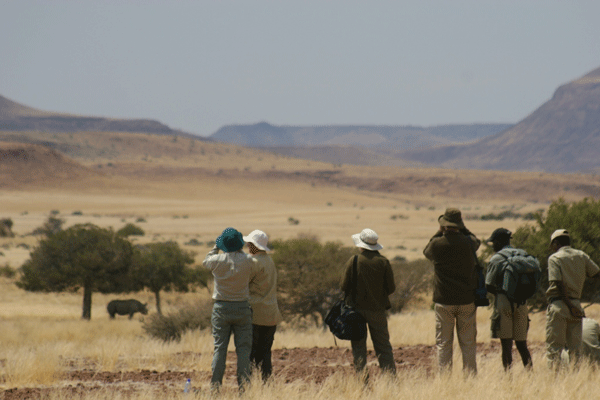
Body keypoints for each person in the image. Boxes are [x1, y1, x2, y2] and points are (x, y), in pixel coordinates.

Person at [203, 227, 260, 392]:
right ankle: (244, 389)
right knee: (243, 350)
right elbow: (253, 265)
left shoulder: (217, 260)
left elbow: (205, 261)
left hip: (221, 308)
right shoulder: (249, 261)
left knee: (220, 348)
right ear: (240, 244)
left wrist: (215, 247)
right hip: (242, 307)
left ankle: (215, 389)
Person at [423, 208, 479, 375]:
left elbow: (426, 251)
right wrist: (464, 229)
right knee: (468, 343)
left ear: (444, 225)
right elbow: (477, 241)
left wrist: (438, 232)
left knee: (444, 343)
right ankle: (470, 378)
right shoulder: (468, 243)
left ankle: (445, 380)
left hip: (443, 300)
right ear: (459, 224)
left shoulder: (437, 244)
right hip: (466, 300)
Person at [340, 228, 396, 376]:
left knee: (358, 348)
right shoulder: (383, 261)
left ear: (361, 245)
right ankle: (390, 380)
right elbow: (391, 288)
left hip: (356, 310)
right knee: (383, 347)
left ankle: (362, 382)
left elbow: (343, 286)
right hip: (377, 310)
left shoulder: (355, 260)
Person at [545, 229, 600, 369]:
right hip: (576, 305)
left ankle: (554, 381)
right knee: (576, 350)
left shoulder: (554, 258)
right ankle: (575, 380)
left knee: (554, 349)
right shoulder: (582, 256)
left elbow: (557, 283)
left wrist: (568, 304)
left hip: (559, 305)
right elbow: (596, 273)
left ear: (556, 243)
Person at [484, 228, 533, 370]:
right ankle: (530, 375)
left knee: (506, 345)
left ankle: (508, 378)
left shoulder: (497, 258)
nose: (493, 245)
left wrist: (501, 294)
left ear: (499, 242)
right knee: (522, 345)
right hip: (522, 302)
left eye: (494, 242)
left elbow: (489, 284)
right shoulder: (523, 255)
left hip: (503, 301)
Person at [244, 229, 282, 381]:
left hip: (255, 314)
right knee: (265, 353)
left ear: (255, 245)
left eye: (250, 243)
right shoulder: (269, 260)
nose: (247, 245)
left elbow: (244, 284)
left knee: (250, 354)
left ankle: (247, 388)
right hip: (271, 313)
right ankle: (266, 386)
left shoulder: (253, 262)